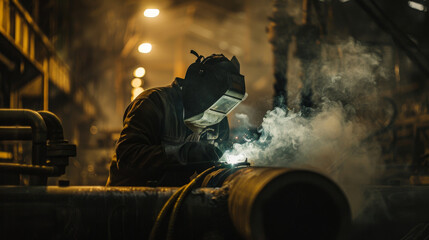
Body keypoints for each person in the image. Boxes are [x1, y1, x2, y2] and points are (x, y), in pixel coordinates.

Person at [106, 50, 246, 186]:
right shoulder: (154, 103)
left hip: (176, 201)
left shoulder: (218, 121)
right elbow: (127, 158)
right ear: (197, 89)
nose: (218, 112)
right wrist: (187, 155)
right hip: (132, 201)